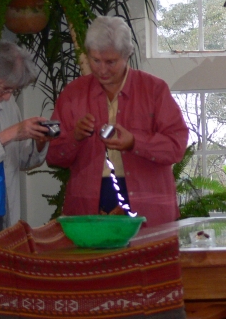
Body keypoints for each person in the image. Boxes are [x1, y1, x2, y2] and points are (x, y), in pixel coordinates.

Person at [47, 16, 188, 226]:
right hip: (88, 204)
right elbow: (51, 155)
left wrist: (135, 143)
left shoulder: (155, 90)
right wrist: (74, 137)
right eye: (95, 60)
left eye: (110, 62)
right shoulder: (71, 94)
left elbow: (177, 147)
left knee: (148, 250)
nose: (102, 70)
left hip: (148, 204)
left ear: (127, 55)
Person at [0, 40, 52, 237]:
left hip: (2, 213)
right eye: (4, 88)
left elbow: (20, 160)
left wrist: (39, 143)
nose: (7, 97)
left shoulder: (7, 103)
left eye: (12, 91)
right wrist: (8, 135)